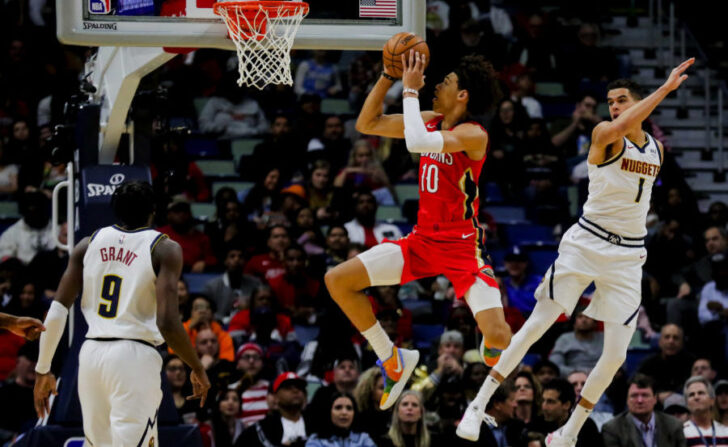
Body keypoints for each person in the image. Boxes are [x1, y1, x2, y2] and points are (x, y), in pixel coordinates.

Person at [458, 59, 696, 445]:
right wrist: (666, 89)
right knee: (536, 326)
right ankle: (478, 405)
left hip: (629, 255)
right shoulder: (605, 133)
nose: (615, 107)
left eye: (622, 100)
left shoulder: (656, 150)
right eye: (611, 101)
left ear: (637, 103)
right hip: (587, 242)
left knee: (617, 354)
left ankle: (567, 434)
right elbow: (618, 126)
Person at [325, 49, 511, 412]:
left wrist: (409, 90)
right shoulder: (429, 118)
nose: (437, 84)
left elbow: (416, 143)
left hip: (462, 249)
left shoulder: (473, 133)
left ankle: (492, 343)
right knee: (337, 280)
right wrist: (387, 76)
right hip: (422, 240)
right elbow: (367, 123)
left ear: (463, 95)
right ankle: (391, 358)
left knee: (499, 337)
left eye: (447, 81)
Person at [32, 181, 211, 447]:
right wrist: (196, 367)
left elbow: (57, 311)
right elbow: (168, 322)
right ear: (154, 210)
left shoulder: (86, 244)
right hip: (133, 356)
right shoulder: (165, 248)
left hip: (91, 355)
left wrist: (43, 369)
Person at [601, 374, 686, 447]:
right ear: (627, 400)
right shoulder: (612, 429)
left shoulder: (674, 425)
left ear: (655, 399)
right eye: (634, 395)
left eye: (645, 395)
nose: (640, 400)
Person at [236, 372, 310, 447]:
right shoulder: (259, 430)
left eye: (299, 387)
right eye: (288, 388)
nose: (295, 391)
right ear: (275, 397)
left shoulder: (317, 424)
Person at [528, 378, 603, 447]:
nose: (544, 407)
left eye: (550, 402)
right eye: (543, 401)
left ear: (566, 405)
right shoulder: (536, 425)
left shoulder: (585, 426)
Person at [203, 245, 262, 322]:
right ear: (225, 261)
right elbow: (208, 312)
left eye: (240, 257)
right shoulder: (212, 286)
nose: (236, 259)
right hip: (220, 326)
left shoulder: (255, 284)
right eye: (232, 256)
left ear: (245, 261)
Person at [638, 324, 695, 394]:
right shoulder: (649, 364)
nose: (671, 341)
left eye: (676, 338)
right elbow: (637, 384)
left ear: (682, 343)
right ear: (660, 342)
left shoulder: (692, 363)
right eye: (667, 337)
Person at [305, 392, 377, 447]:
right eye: (338, 407)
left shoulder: (363, 438)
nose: (344, 412)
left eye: (349, 408)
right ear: (329, 412)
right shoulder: (316, 439)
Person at [548, 308, 604, 376]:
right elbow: (554, 365)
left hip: (603, 377)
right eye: (580, 317)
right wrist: (579, 373)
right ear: (574, 323)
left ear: (595, 323)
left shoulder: (605, 338)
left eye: (588, 317)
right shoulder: (565, 339)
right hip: (572, 378)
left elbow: (618, 358)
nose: (584, 320)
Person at [682, 376, 728, 446]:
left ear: (712, 400)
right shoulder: (681, 433)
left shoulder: (725, 432)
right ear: (686, 403)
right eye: (691, 395)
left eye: (701, 393)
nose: (696, 397)